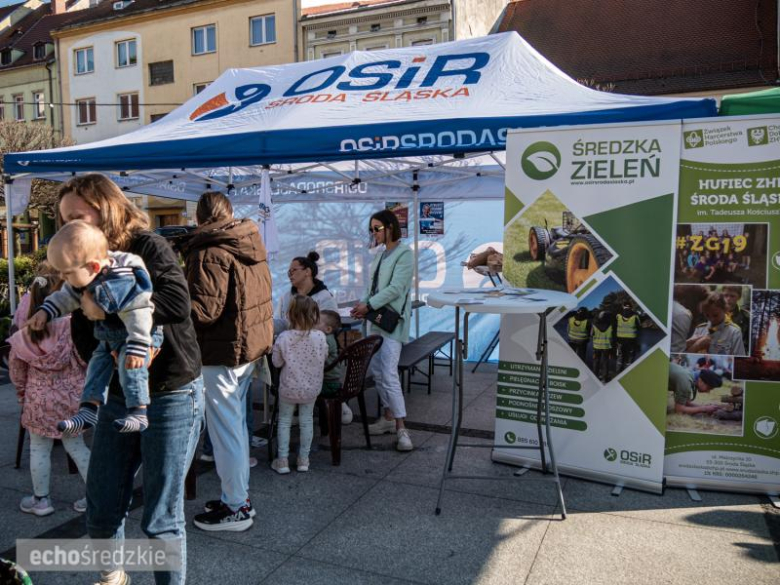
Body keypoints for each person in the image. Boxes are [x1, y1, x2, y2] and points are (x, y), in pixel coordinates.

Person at [56, 174, 203, 585]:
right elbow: (82, 335)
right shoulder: (79, 259)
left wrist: (112, 302)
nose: (70, 226)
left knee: (160, 519)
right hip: (120, 396)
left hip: (172, 391)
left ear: (104, 209)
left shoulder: (146, 246)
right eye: (64, 219)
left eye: (77, 216)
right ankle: (114, 577)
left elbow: (177, 302)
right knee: (101, 508)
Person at [181, 191, 273, 532]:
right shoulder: (248, 243)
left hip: (221, 352)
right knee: (234, 429)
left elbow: (203, 311)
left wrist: (168, 301)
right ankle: (236, 498)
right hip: (245, 350)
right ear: (230, 213)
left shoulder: (209, 250)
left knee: (226, 433)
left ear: (199, 218)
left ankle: (236, 506)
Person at [28, 221, 162, 435]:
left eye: (67, 273)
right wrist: (45, 311)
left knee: (131, 367)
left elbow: (140, 311)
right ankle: (88, 409)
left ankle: (138, 410)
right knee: (96, 366)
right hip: (110, 336)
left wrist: (138, 344)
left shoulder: (121, 280)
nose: (63, 278)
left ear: (93, 267)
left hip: (139, 335)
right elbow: (65, 297)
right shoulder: (84, 275)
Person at [10, 267, 91, 516]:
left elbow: (16, 368)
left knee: (39, 448)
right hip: (72, 398)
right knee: (77, 447)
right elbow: (85, 360)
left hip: (38, 399)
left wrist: (22, 394)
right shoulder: (72, 328)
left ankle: (41, 500)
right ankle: (96, 496)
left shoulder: (25, 335)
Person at [351, 209, 414, 451]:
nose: (374, 233)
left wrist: (369, 304)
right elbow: (372, 287)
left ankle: (401, 428)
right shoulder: (379, 255)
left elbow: (396, 288)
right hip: (374, 320)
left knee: (388, 373)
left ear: (389, 227)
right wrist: (362, 305)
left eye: (377, 228)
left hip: (390, 322)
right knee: (377, 372)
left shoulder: (405, 253)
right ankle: (388, 418)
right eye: (371, 229)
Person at [274, 251, 352, 424]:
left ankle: (329, 401)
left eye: (294, 270)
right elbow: (281, 322)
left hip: (315, 354)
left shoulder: (324, 298)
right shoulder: (287, 296)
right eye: (289, 271)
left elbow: (327, 331)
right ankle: (292, 405)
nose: (290, 274)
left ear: (307, 271)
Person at [271, 296, 328, 474]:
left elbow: (277, 363)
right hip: (311, 388)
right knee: (306, 421)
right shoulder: (320, 337)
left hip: (288, 387)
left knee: (285, 421)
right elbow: (324, 357)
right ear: (315, 316)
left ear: (289, 315)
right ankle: (304, 460)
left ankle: (282, 461)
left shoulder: (284, 337)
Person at [318, 310, 345, 397]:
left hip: (328, 383)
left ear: (328, 329)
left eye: (317, 322)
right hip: (333, 381)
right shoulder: (329, 337)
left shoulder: (325, 341)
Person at [722, 286, 750, 351]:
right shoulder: (714, 314)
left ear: (739, 297)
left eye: (732, 296)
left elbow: (746, 342)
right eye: (725, 295)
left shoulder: (746, 317)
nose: (728, 299)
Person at [615, 302, 639, 373]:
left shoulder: (618, 316)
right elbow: (639, 326)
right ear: (631, 307)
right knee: (630, 356)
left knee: (620, 355)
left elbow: (614, 325)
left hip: (620, 340)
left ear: (623, 306)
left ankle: (618, 371)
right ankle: (628, 372)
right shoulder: (635, 316)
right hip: (631, 340)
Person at [590, 311, 614, 382]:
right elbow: (611, 337)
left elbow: (591, 334)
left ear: (599, 317)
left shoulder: (594, 324)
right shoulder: (610, 325)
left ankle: (595, 377)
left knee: (596, 361)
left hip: (596, 347)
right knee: (605, 362)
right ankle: (604, 378)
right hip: (606, 347)